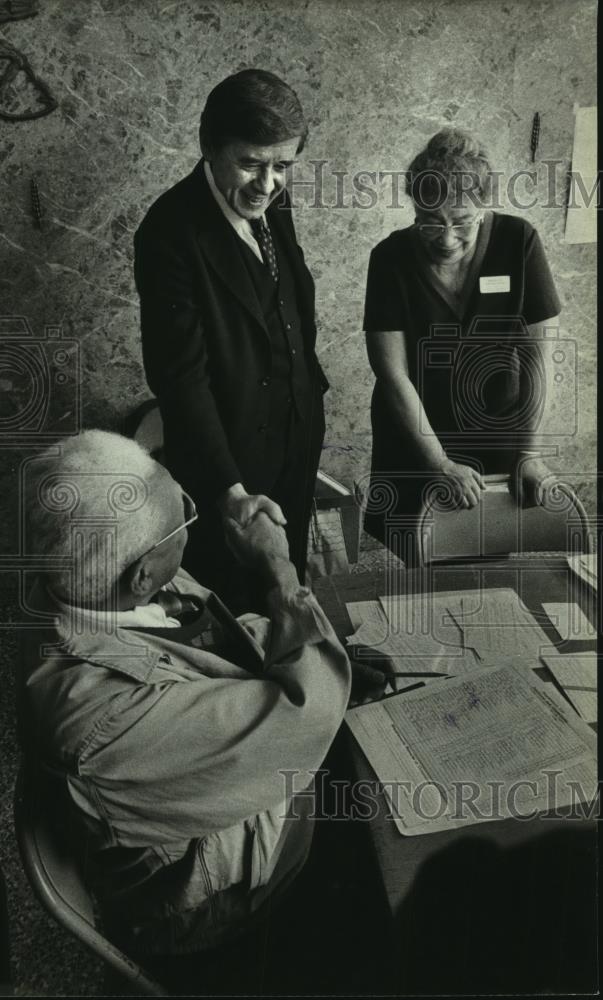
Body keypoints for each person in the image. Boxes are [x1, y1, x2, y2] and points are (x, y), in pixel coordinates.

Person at [20, 430, 361, 966]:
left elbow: (206, 631)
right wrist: (279, 568)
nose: (188, 514)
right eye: (183, 516)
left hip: (219, 781)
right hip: (219, 903)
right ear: (143, 576)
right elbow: (308, 714)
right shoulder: (103, 722)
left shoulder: (86, 577)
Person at [134, 69, 328, 610]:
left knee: (287, 585)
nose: (267, 184)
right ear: (207, 146)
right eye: (250, 163)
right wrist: (230, 491)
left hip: (294, 437)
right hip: (230, 462)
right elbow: (180, 379)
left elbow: (285, 305)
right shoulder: (169, 232)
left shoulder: (270, 201)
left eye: (282, 166)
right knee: (232, 601)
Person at [363, 128, 561, 558]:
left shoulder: (518, 242)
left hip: (496, 426)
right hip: (415, 432)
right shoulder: (389, 258)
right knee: (418, 557)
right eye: (429, 222)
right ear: (414, 208)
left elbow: (539, 360)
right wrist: (437, 463)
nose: (446, 238)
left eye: (461, 222)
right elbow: (392, 374)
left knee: (490, 548)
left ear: (483, 208)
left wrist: (529, 452)